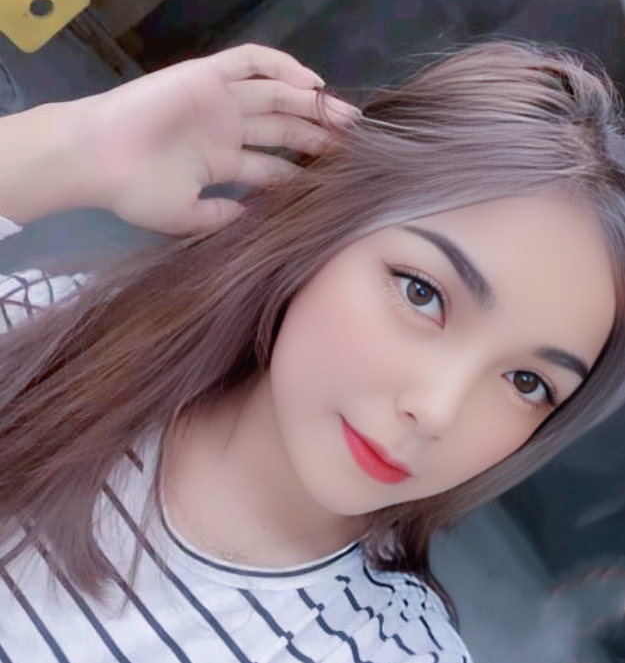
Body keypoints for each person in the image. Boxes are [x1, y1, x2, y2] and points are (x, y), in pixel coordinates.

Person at [0, 39, 622, 663]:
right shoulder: (53, 348)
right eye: (423, 293)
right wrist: (72, 148)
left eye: (526, 382)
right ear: (328, 223)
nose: (436, 410)